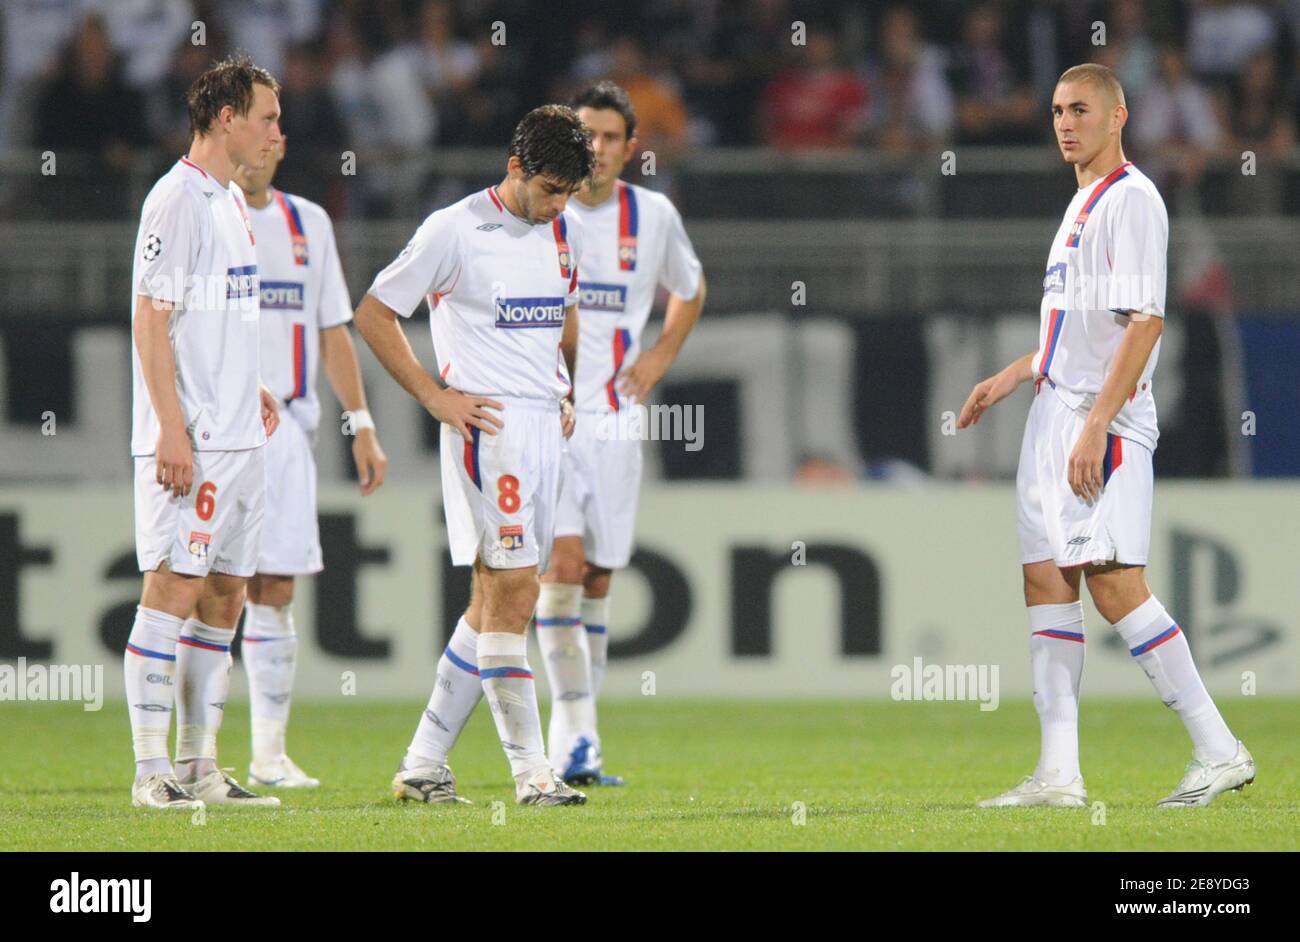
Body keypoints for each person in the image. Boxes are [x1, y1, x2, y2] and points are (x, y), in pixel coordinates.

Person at [958, 63, 1254, 809]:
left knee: (1116, 585)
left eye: (1081, 109)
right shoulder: (1081, 203)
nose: (1065, 122)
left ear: (1118, 116)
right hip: (1055, 411)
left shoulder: (1133, 199)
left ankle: (1218, 749)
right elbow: (1082, 328)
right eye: (1057, 109)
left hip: (1104, 417)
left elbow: (1146, 323)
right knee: (1045, 581)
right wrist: (1014, 374)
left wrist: (1095, 425)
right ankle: (1059, 773)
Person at [353, 105, 595, 806]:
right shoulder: (453, 229)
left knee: (493, 598)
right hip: (490, 430)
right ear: (515, 166)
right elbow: (374, 311)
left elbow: (560, 315)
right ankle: (533, 776)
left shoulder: (562, 233)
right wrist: (434, 396)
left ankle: (425, 763)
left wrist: (564, 388)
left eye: (569, 192)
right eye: (550, 188)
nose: (557, 204)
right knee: (517, 594)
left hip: (545, 427)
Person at [124, 54, 283, 809]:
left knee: (225, 597)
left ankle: (197, 766)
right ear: (228, 118)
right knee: (172, 587)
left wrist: (245, 382)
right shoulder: (178, 200)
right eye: (267, 118)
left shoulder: (227, 202)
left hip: (240, 439)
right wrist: (171, 430)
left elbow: (208, 314)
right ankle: (150, 770)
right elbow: (150, 319)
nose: (275, 132)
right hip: (193, 441)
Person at [537, 81, 705, 786]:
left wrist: (660, 357)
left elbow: (690, 288)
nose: (597, 149)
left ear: (631, 148)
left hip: (616, 421)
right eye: (587, 136)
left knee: (600, 576)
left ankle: (581, 738)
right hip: (549, 418)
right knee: (562, 571)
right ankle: (571, 734)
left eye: (610, 138)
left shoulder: (654, 215)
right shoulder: (544, 210)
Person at [231, 138, 388, 790]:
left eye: (276, 126)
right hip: (219, 426)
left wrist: (362, 424)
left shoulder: (308, 223)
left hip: (290, 426)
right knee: (204, 590)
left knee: (277, 587)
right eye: (258, 122)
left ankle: (269, 753)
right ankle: (192, 755)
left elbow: (332, 329)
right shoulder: (207, 216)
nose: (266, 140)